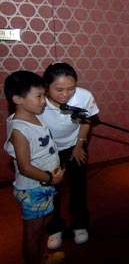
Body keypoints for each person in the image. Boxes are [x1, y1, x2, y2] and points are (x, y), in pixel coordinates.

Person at [3, 71, 66, 264]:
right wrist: (51, 179)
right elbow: (25, 167)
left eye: (44, 95)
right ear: (18, 99)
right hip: (35, 188)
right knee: (33, 233)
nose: (43, 101)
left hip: (44, 185)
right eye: (39, 96)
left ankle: (41, 256)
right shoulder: (20, 130)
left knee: (44, 222)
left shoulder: (32, 116)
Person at [39, 62, 99, 250]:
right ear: (46, 88)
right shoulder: (38, 101)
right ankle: (54, 228)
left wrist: (79, 145)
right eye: (59, 89)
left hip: (75, 144)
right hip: (47, 148)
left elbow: (86, 120)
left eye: (70, 88)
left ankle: (80, 225)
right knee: (51, 188)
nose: (65, 94)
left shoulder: (83, 96)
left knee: (78, 185)